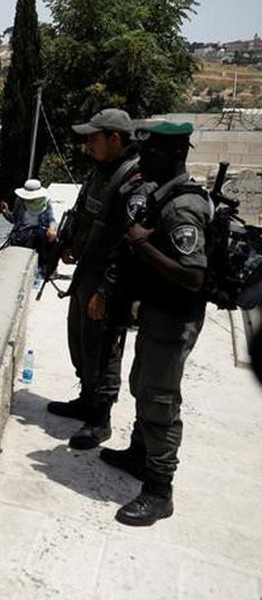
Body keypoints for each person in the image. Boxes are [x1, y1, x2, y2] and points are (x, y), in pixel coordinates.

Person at [96, 121, 210, 526]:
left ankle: (160, 490)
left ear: (173, 155)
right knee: (141, 384)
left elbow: (193, 274)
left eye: (151, 154)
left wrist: (142, 242)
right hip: (157, 313)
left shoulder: (182, 207)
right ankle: (139, 456)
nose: (142, 162)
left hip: (174, 316)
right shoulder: (165, 197)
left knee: (160, 400)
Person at [48, 108, 141, 451]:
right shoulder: (101, 172)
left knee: (103, 348)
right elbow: (87, 215)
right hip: (87, 269)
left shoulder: (133, 179)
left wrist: (105, 288)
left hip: (108, 279)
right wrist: (70, 244)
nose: (88, 143)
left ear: (115, 139)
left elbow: (127, 242)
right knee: (80, 338)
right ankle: (86, 399)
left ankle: (100, 418)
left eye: (94, 137)